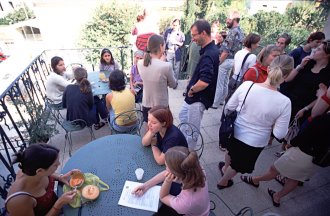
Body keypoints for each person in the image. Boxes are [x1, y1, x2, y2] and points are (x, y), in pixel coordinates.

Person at [217, 55, 293, 190]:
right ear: (286, 77)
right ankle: (223, 181)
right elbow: (279, 133)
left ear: (268, 68)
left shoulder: (247, 86)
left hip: (235, 131)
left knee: (231, 152)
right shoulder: (285, 102)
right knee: (238, 165)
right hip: (255, 141)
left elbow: (229, 107)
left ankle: (225, 168)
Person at [240, 112, 330, 207]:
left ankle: (255, 180)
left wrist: (291, 143)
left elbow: (304, 136)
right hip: (317, 160)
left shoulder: (323, 119)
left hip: (302, 153)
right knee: (295, 179)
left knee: (274, 169)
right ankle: (277, 197)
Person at [133, 146, 210, 216]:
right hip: (202, 207)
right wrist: (146, 186)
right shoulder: (196, 168)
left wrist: (167, 181)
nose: (165, 169)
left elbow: (163, 197)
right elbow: (167, 173)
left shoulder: (184, 203)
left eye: (167, 167)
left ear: (176, 174)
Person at [179, 19, 219, 150]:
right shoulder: (209, 50)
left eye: (194, 35)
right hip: (194, 98)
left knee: (192, 132)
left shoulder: (209, 54)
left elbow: (204, 82)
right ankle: (183, 144)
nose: (193, 39)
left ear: (203, 33)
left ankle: (188, 156)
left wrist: (192, 90)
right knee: (183, 117)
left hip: (198, 99)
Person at [5, 144, 77, 216]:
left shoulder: (30, 170)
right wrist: (59, 204)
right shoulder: (18, 201)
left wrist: (60, 177)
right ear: (39, 171)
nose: (59, 164)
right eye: (55, 165)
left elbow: (48, 174)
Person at [137, 34, 177, 123]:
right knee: (163, 133)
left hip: (146, 105)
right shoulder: (166, 66)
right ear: (161, 46)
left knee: (151, 131)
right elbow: (173, 84)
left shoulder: (140, 63)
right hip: (161, 107)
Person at [212, 11, 244, 108]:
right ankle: (222, 101)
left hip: (226, 60)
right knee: (225, 82)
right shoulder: (240, 31)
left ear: (234, 20)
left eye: (229, 19)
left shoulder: (232, 32)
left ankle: (215, 103)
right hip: (233, 60)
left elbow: (226, 51)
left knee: (220, 82)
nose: (227, 21)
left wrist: (218, 63)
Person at [227, 33, 261, 100]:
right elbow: (250, 73)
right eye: (257, 43)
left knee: (228, 101)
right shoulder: (252, 57)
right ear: (252, 43)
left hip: (233, 80)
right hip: (241, 82)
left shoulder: (238, 52)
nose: (258, 45)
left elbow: (234, 68)